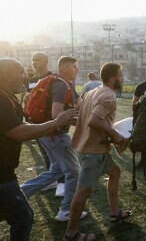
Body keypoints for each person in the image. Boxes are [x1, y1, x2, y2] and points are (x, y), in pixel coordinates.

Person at [0, 58, 78, 241]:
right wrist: (55, 123)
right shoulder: (2, 100)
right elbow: (19, 132)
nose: (25, 75)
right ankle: (66, 210)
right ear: (6, 76)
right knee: (23, 216)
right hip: (2, 175)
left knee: (56, 170)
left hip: (5, 172)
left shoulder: (7, 97)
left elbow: (19, 124)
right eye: (20, 71)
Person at [63, 63, 129, 241]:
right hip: (93, 151)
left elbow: (80, 116)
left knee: (115, 173)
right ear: (113, 78)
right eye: (121, 75)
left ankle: (114, 212)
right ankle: (71, 233)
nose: (122, 79)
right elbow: (93, 121)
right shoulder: (108, 96)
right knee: (82, 192)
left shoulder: (92, 92)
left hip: (88, 147)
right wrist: (114, 134)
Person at [21, 56, 88, 221]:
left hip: (47, 135)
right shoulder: (61, 86)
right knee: (74, 172)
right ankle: (67, 210)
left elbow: (80, 103)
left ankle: (20, 192)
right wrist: (82, 123)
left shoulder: (64, 83)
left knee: (56, 170)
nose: (77, 69)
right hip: (56, 135)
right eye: (74, 67)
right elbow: (57, 115)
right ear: (64, 68)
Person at [29, 52, 67, 197]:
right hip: (35, 124)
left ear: (45, 61)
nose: (33, 62)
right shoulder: (31, 81)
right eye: (32, 59)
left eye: (37, 59)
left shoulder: (53, 80)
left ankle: (62, 183)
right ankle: (53, 181)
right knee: (46, 155)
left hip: (50, 124)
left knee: (58, 156)